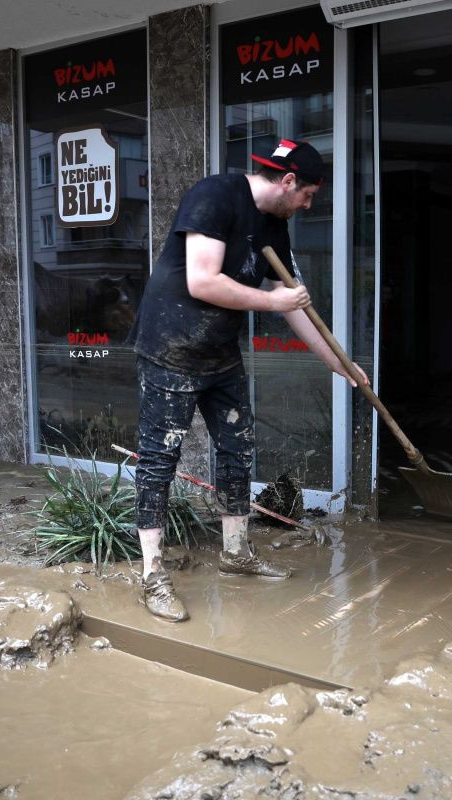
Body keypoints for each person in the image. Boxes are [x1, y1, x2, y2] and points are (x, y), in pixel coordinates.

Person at [130, 139, 368, 622]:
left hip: (219, 353)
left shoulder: (274, 224)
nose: (308, 205)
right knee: (159, 460)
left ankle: (236, 552)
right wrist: (275, 303)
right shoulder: (214, 196)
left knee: (237, 448)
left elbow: (292, 299)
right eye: (308, 195)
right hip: (170, 347)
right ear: (288, 181)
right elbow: (202, 281)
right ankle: (152, 574)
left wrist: (335, 361)